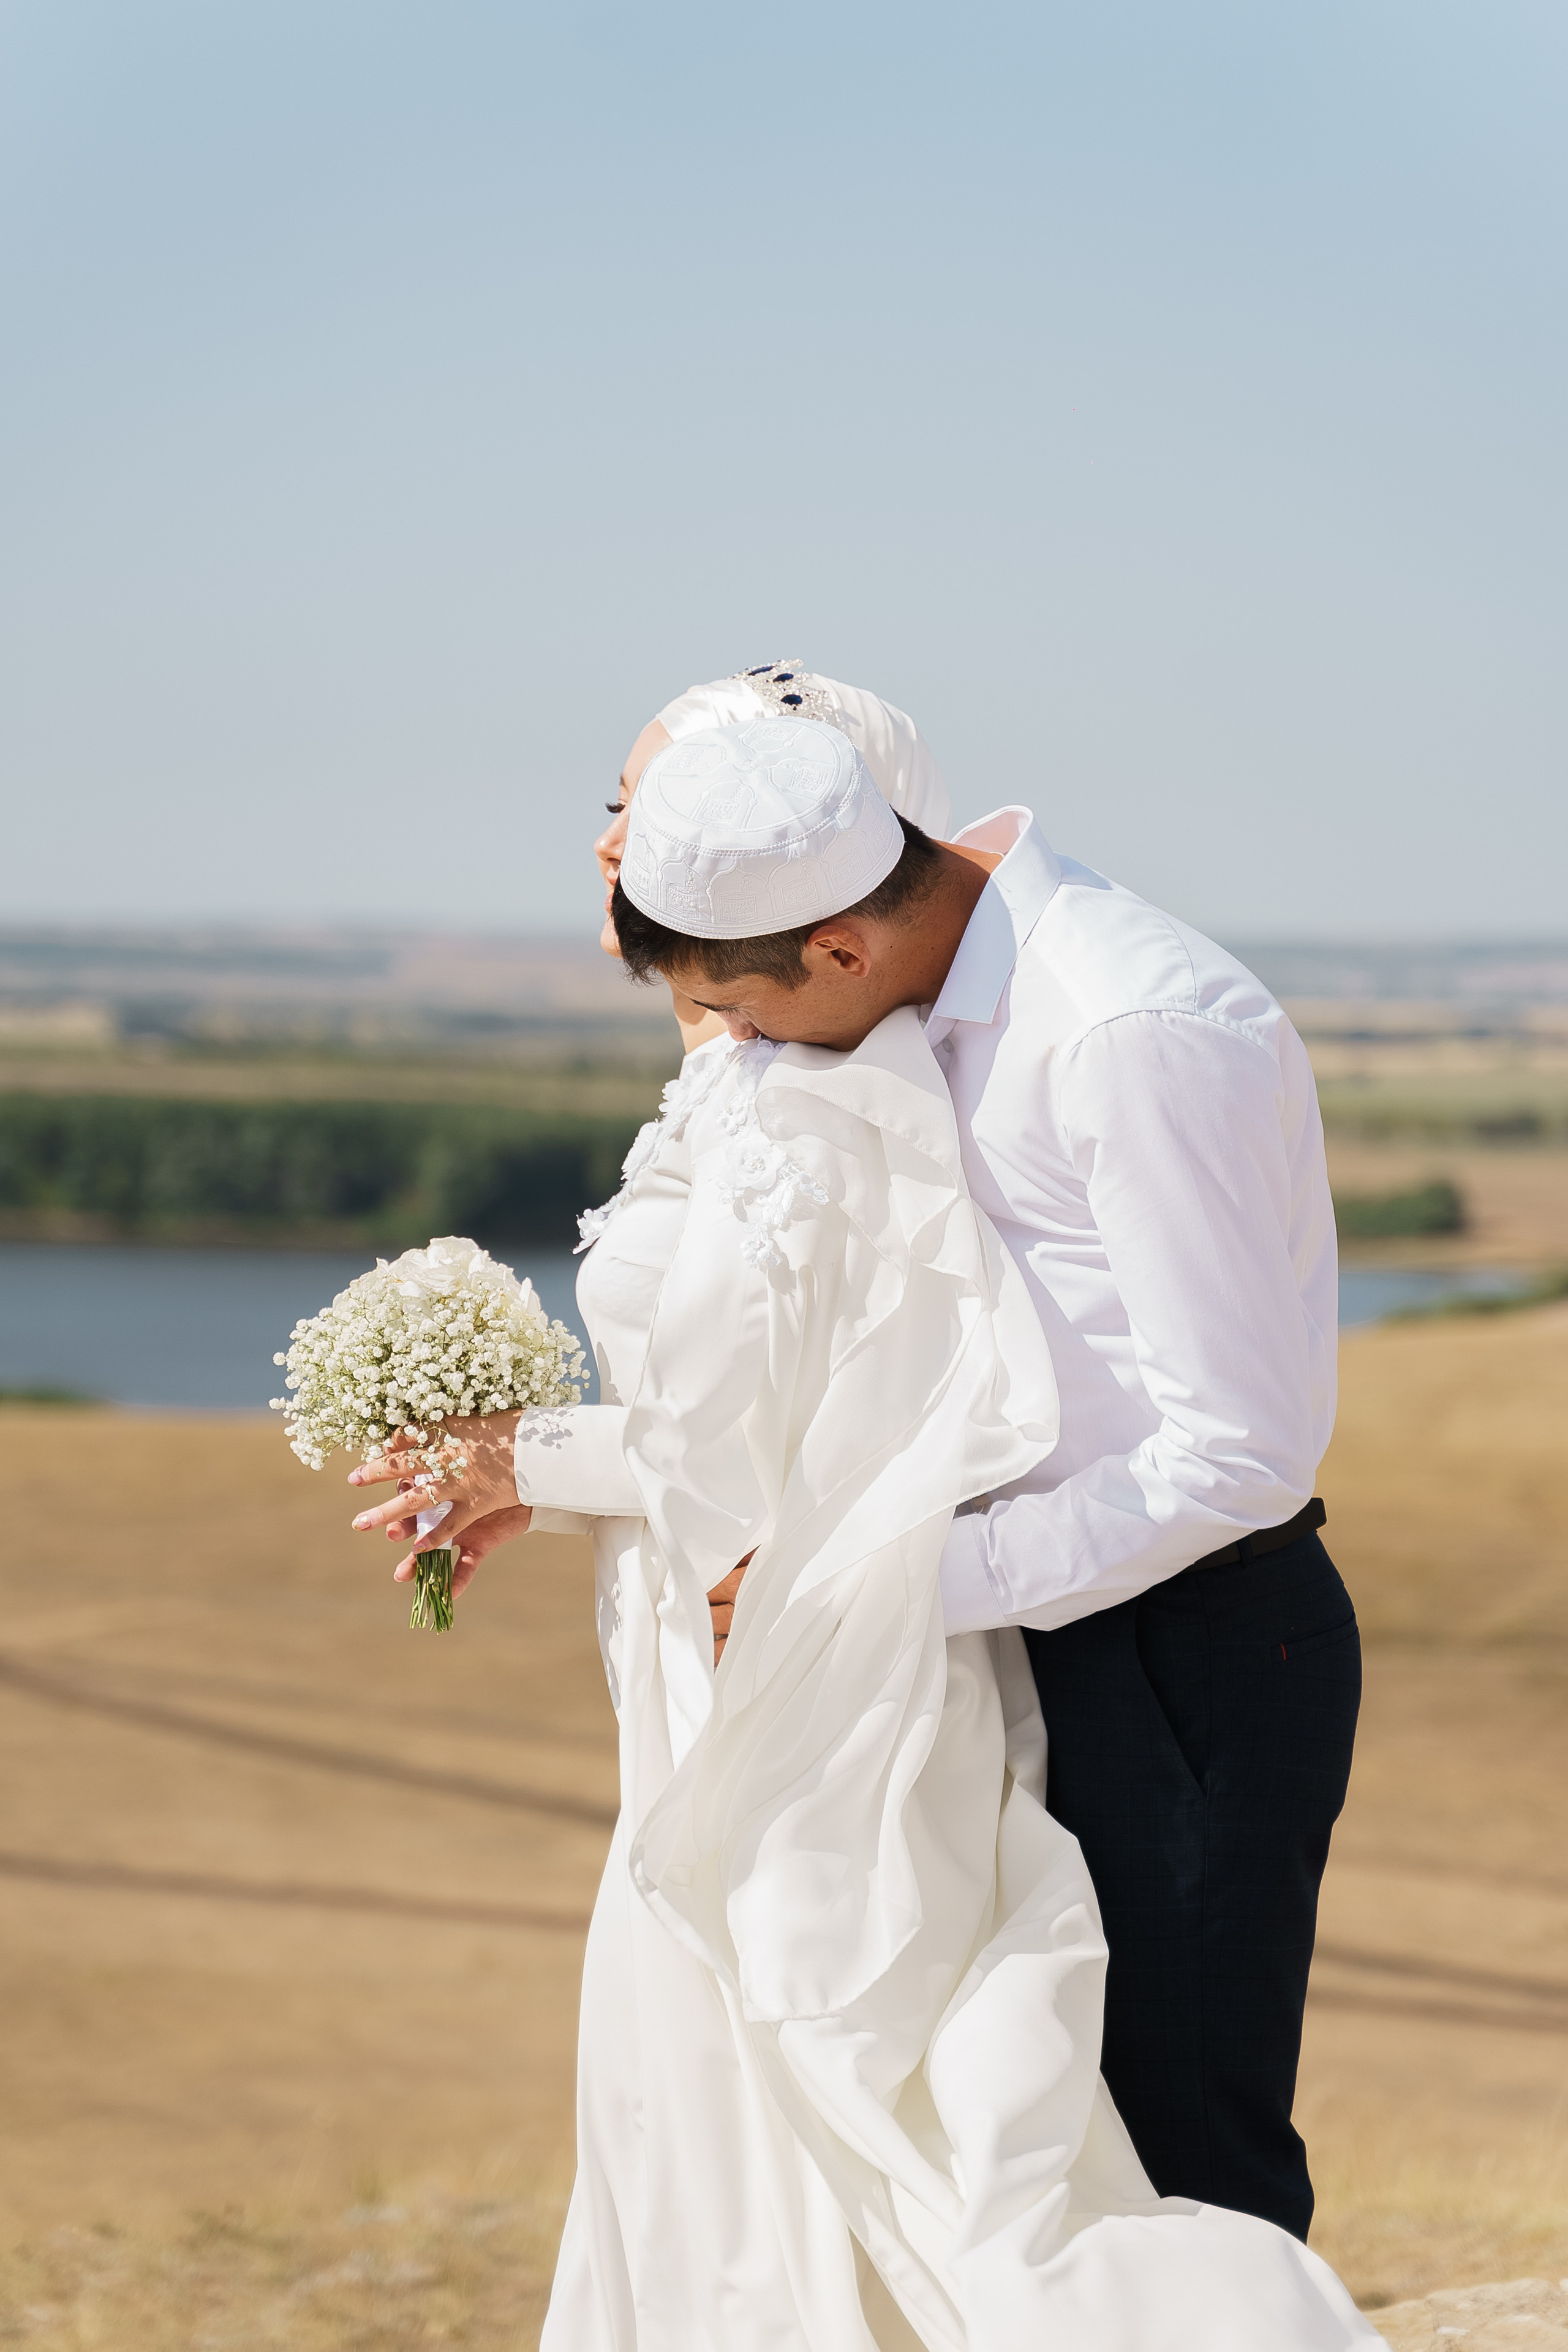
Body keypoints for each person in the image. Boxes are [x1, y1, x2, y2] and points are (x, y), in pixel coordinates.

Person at [349, 721, 1381, 2348]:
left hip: (1179, 1649)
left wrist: (875, 1594)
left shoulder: (1128, 1028)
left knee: (1166, 2154)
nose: (746, 1046)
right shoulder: (883, 990)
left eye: (752, 1006)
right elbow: (843, 1395)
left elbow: (1234, 1459)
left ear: (842, 934)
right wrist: (539, 1461)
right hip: (979, 1650)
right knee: (1005, 2135)